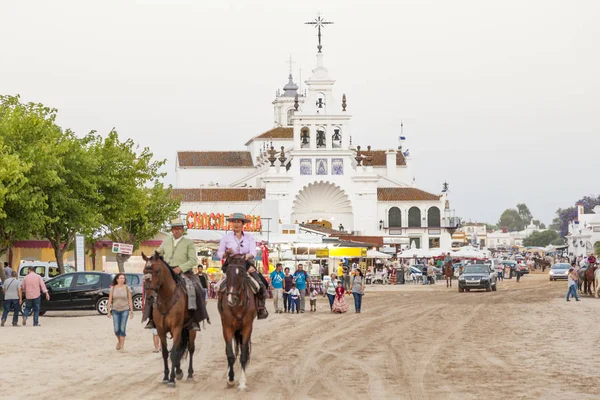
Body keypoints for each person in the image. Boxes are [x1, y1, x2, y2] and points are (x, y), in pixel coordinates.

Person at [143, 218, 209, 331]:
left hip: (185, 272)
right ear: (171, 230)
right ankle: (151, 318)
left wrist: (181, 268)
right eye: (174, 229)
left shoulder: (189, 242)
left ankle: (194, 319)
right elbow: (158, 253)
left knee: (196, 288)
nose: (177, 231)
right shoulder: (166, 241)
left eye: (179, 228)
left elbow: (193, 260)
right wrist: (150, 260)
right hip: (167, 272)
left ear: (183, 230)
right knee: (152, 288)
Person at [217, 213, 268, 320]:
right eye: (234, 222)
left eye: (238, 222)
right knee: (219, 286)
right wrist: (226, 253)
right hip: (231, 264)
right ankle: (221, 306)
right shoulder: (225, 238)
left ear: (243, 224)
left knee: (261, 284)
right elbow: (219, 253)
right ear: (231, 224)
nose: (236, 224)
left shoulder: (249, 238)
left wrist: (246, 257)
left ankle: (261, 307)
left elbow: (253, 252)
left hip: (246, 263)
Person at [107, 273, 134, 352]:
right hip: (115, 310)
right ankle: (119, 341)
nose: (123, 279)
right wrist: (108, 311)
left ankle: (122, 347)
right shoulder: (113, 288)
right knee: (116, 329)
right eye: (121, 278)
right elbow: (110, 300)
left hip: (125, 310)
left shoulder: (127, 288)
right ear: (117, 279)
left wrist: (131, 311)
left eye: (123, 278)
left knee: (122, 328)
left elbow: (130, 300)